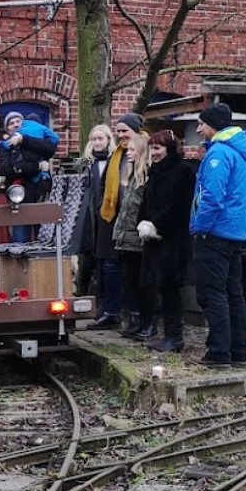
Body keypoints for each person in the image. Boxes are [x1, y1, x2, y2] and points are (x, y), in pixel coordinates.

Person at [190, 102, 246, 368]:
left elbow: (212, 197)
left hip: (215, 232)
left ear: (213, 125)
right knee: (233, 293)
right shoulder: (241, 152)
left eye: (202, 123)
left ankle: (218, 353)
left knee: (212, 294)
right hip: (236, 233)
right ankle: (238, 352)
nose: (198, 128)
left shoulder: (218, 154)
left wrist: (200, 228)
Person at [139, 129, 196, 353]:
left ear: (169, 149)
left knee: (171, 288)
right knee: (161, 287)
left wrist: (156, 225)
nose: (154, 153)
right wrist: (143, 221)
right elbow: (147, 201)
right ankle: (167, 334)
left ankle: (175, 337)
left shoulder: (183, 171)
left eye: (158, 148)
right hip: (155, 238)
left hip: (173, 239)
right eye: (152, 148)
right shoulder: (155, 172)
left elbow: (178, 205)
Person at [87, 112, 143, 329]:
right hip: (110, 217)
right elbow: (103, 185)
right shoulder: (116, 155)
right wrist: (104, 206)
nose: (121, 135)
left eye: (124, 131)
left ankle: (134, 314)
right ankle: (111, 311)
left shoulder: (142, 151)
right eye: (118, 131)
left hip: (132, 218)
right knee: (109, 267)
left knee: (130, 270)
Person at [113, 134, 153, 338]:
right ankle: (135, 319)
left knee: (141, 282)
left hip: (138, 238)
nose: (127, 153)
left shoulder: (146, 177)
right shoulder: (129, 178)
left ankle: (147, 322)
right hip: (125, 237)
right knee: (129, 280)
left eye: (131, 150)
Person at [0, 111, 59, 243]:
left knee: (42, 239)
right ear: (7, 128)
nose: (15, 125)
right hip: (19, 199)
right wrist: (37, 167)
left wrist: (24, 140)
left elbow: (49, 149)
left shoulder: (34, 141)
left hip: (40, 196)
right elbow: (7, 169)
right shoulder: (5, 146)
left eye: (18, 122)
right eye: (11, 123)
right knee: (20, 241)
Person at [72, 124, 117, 300]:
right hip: (89, 216)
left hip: (107, 213)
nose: (97, 142)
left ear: (108, 140)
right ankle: (84, 291)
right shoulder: (85, 164)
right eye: (94, 139)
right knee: (88, 257)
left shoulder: (114, 161)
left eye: (100, 138)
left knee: (106, 259)